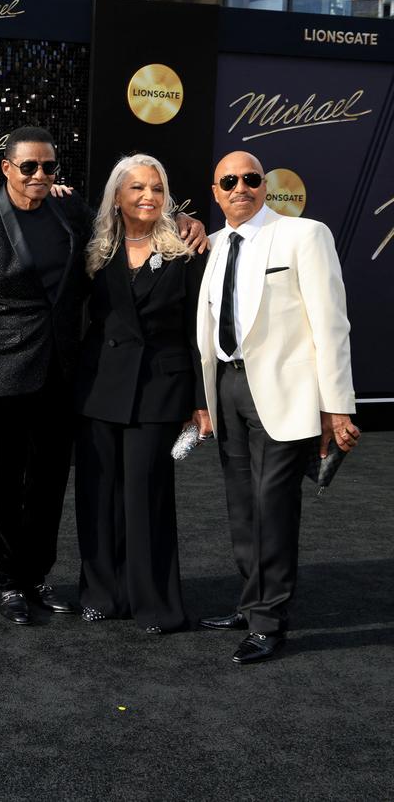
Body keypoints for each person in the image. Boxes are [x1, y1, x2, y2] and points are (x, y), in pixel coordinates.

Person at [0, 127, 207, 626]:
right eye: (29, 167)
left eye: (49, 167)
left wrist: (182, 216)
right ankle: (9, 584)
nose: (40, 176)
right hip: (4, 372)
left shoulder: (71, 213)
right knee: (5, 483)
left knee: (50, 483)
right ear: (6, 168)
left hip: (67, 374)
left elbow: (133, 214)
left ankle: (39, 576)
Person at [195, 150, 360, 664]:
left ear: (264, 185)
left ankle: (269, 620)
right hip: (226, 386)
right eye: (229, 180)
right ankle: (251, 603)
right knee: (241, 505)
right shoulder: (213, 244)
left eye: (250, 178)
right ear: (216, 190)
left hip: (285, 393)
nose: (240, 187)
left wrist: (337, 407)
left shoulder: (305, 234)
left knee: (273, 506)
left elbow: (331, 324)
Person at [74, 154, 207, 635]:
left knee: (147, 496)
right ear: (117, 195)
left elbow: (198, 329)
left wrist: (200, 399)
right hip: (99, 386)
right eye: (137, 188)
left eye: (156, 187)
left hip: (159, 388)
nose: (148, 196)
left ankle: (156, 605)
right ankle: (100, 594)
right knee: (97, 494)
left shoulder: (187, 247)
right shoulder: (96, 247)